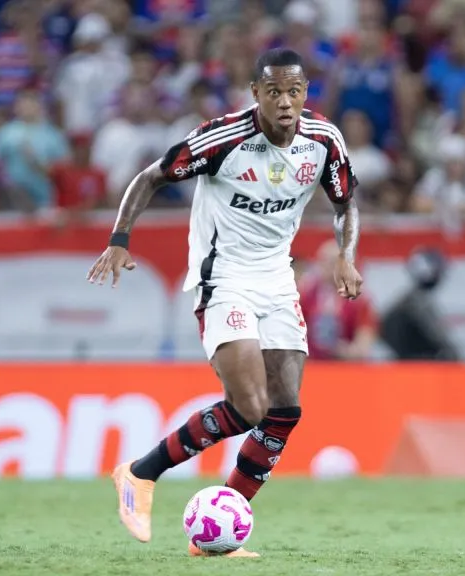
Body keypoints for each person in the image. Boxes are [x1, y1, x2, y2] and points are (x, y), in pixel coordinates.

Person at [87, 48, 361, 557]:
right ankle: (140, 474)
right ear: (255, 93)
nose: (284, 102)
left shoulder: (324, 140)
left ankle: (222, 531)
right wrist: (120, 238)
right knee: (251, 406)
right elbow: (150, 177)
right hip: (224, 278)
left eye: (294, 91)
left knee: (283, 411)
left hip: (278, 280)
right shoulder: (223, 138)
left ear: (306, 94)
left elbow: (346, 206)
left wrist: (345, 256)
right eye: (273, 91)